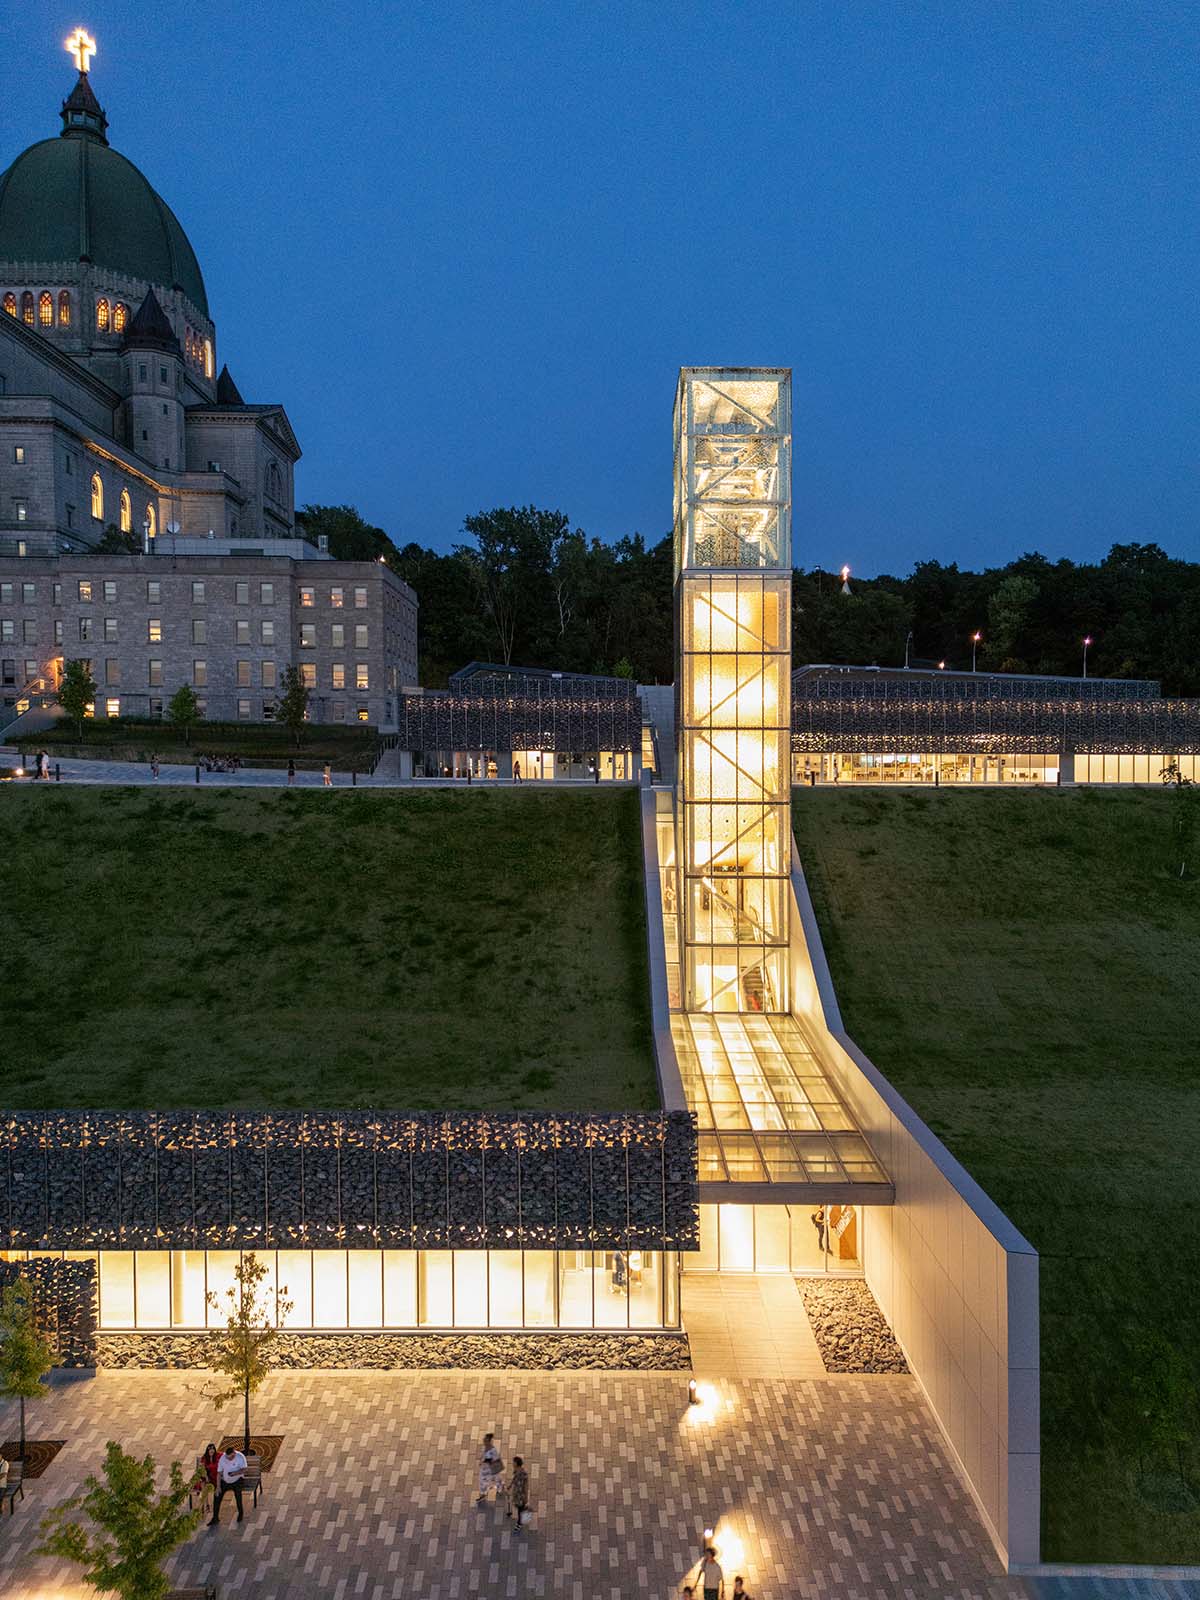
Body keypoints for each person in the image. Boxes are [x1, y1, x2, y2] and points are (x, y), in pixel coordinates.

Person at [210, 1443, 247, 1525]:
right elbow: (219, 1473)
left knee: (238, 1496)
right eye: (227, 1457)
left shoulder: (240, 1457)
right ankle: (215, 1518)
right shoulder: (223, 1458)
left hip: (237, 1480)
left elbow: (244, 1469)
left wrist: (235, 1473)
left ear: (234, 1454)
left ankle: (240, 1513)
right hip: (225, 1481)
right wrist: (218, 1486)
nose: (228, 1459)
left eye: (230, 1457)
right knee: (217, 1496)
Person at [476, 1433, 502, 1504]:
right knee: (483, 1481)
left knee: (492, 1479)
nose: (484, 1440)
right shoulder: (485, 1447)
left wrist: (486, 1461)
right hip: (484, 1469)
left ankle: (498, 1487)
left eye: (485, 1439)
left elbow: (495, 1460)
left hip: (490, 1470)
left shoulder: (492, 1450)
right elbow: (482, 1455)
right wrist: (481, 1461)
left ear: (488, 1441)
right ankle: (483, 1493)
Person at [506, 1455, 529, 1529]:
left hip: (520, 1495)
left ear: (516, 1464)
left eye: (513, 1462)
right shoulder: (516, 1470)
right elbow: (514, 1478)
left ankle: (519, 1523)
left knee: (520, 1510)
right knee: (518, 1507)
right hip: (516, 1493)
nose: (512, 1464)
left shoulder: (523, 1474)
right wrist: (510, 1485)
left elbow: (525, 1486)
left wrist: (525, 1497)